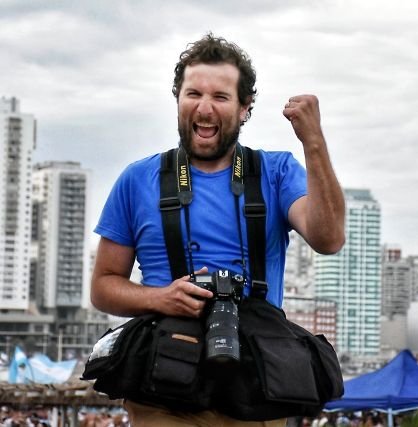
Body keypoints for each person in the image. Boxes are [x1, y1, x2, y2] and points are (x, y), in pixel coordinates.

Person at [91, 33, 345, 427]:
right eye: (193, 94)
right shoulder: (137, 179)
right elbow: (103, 286)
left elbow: (329, 239)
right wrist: (162, 299)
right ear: (177, 100)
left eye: (221, 97)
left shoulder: (275, 173)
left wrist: (314, 143)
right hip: (164, 384)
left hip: (255, 385)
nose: (204, 108)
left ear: (245, 108)